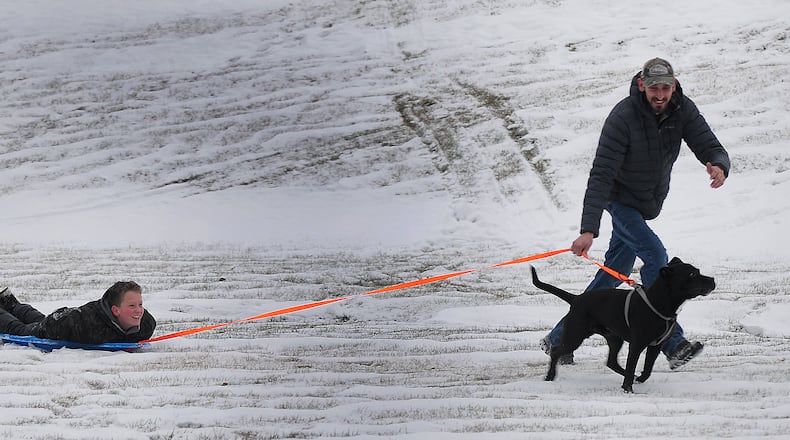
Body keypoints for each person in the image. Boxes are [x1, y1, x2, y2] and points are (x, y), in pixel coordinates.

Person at [540, 58, 730, 369]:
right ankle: (672, 341)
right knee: (656, 256)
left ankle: (558, 339)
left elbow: (708, 144)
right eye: (654, 87)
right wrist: (589, 229)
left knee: (614, 271)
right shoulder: (623, 117)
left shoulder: (682, 109)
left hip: (646, 204)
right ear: (641, 85)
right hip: (620, 203)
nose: (660, 94)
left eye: (665, 87)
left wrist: (719, 164)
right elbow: (601, 174)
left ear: (674, 85)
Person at [0, 281, 156, 345]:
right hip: (59, 325)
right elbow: (66, 324)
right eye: (132, 306)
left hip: (70, 321)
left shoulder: (147, 324)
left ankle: (10, 303)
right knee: (20, 330)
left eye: (140, 304)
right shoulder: (91, 327)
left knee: (38, 319)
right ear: (116, 310)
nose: (138, 311)